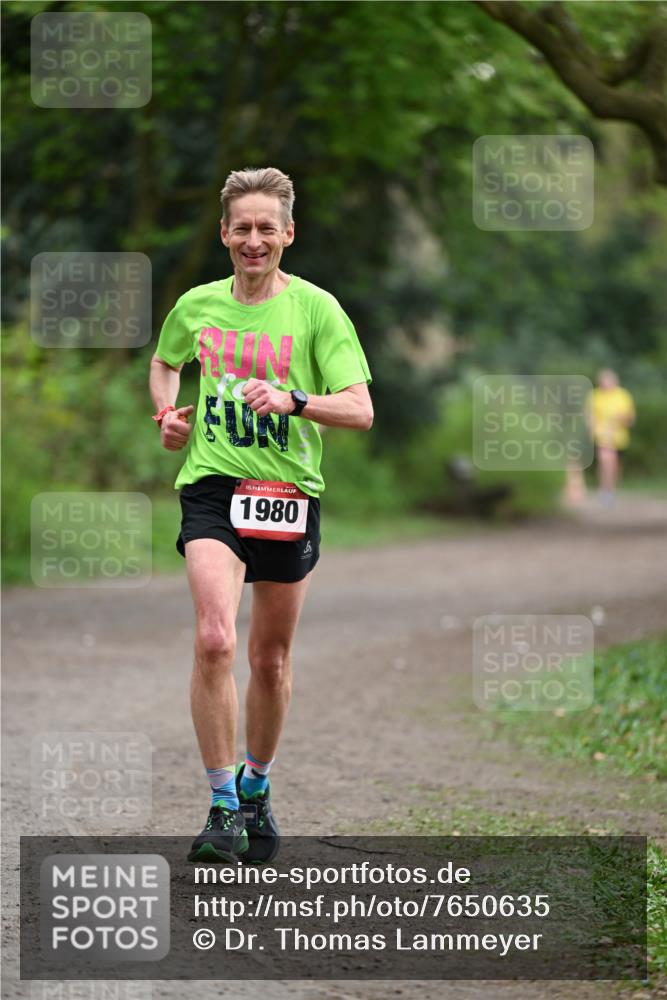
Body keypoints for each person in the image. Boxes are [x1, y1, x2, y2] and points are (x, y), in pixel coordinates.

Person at [149, 167, 373, 864]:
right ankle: (221, 806)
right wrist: (166, 413)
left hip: (286, 493)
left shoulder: (316, 311)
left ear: (288, 234)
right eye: (241, 228)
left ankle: (255, 786)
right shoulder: (197, 305)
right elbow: (164, 362)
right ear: (224, 233)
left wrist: (294, 401)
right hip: (213, 485)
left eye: (265, 228)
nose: (253, 240)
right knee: (215, 638)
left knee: (268, 660)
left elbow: (360, 410)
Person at [586, 369, 635, 506]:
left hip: (619, 436)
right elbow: (590, 416)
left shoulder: (623, 395)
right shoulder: (595, 395)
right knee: (606, 459)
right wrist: (591, 431)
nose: (606, 385)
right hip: (601, 435)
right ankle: (605, 490)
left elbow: (631, 419)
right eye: (603, 382)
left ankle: (610, 489)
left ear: (615, 382)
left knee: (615, 465)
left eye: (608, 382)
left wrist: (622, 418)